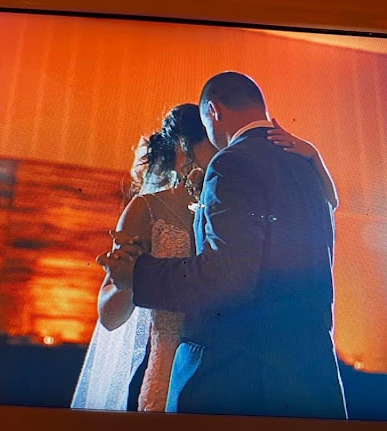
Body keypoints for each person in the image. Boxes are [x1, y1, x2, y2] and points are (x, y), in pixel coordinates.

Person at [86, 94, 340, 414]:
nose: (226, 151)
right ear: (184, 149)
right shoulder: (146, 209)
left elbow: (326, 208)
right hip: (174, 376)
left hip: (235, 377)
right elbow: (109, 316)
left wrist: (314, 157)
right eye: (216, 144)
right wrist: (132, 275)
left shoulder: (235, 204)